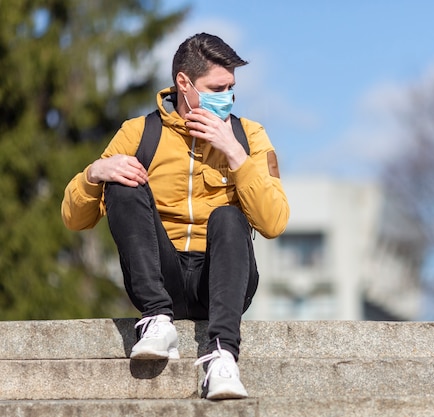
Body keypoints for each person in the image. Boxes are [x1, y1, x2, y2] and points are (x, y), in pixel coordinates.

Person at [61, 33, 290, 400]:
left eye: (232, 87)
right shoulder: (138, 133)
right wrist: (94, 174)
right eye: (217, 88)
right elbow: (74, 219)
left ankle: (223, 356)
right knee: (122, 180)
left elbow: (275, 222)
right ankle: (156, 320)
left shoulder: (250, 136)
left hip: (221, 283)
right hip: (160, 279)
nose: (227, 97)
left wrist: (234, 152)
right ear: (183, 83)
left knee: (229, 217)